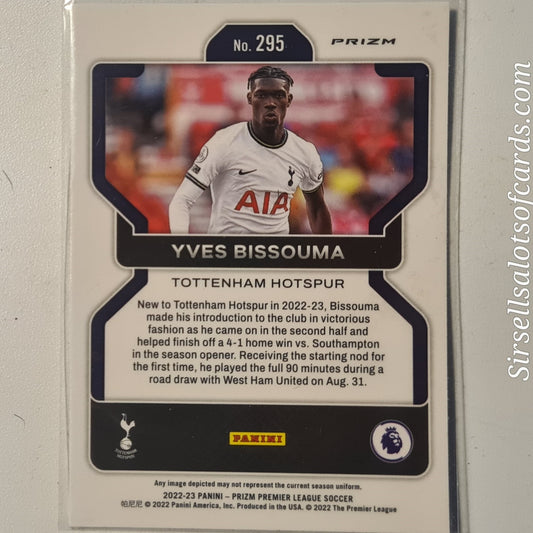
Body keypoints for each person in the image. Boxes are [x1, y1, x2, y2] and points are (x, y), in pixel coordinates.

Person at [169, 66, 331, 234]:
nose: (270, 103)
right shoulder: (224, 142)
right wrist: (180, 243)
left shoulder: (304, 152)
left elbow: (318, 209)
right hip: (228, 249)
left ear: (288, 100)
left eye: (278, 95)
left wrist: (326, 248)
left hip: (276, 249)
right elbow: (182, 200)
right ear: (250, 98)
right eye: (261, 95)